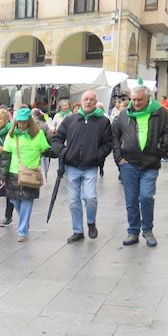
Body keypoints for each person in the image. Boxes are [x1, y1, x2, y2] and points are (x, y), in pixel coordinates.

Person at [111, 85, 168, 247]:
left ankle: (147, 230)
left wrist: (161, 151)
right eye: (133, 100)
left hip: (150, 164)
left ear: (148, 98)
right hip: (128, 164)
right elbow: (115, 136)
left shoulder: (159, 112)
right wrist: (119, 158)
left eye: (140, 100)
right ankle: (133, 232)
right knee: (131, 200)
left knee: (146, 197)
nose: (136, 103)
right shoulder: (124, 115)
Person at [50, 90, 113, 243]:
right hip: (72, 166)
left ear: (95, 102)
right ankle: (77, 230)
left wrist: (97, 155)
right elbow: (57, 139)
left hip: (90, 166)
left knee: (90, 197)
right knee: (73, 201)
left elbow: (108, 143)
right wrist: (64, 152)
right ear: (81, 101)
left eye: (92, 99)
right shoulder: (70, 120)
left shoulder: (102, 121)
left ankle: (91, 222)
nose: (88, 102)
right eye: (86, 99)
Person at [0, 107, 53, 242]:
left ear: (29, 121)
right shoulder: (11, 136)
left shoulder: (38, 134)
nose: (21, 125)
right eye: (19, 122)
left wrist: (59, 151)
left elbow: (46, 150)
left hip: (31, 173)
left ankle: (22, 230)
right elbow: (6, 156)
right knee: (15, 200)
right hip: (13, 172)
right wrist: (2, 176)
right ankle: (25, 221)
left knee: (27, 201)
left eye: (24, 122)